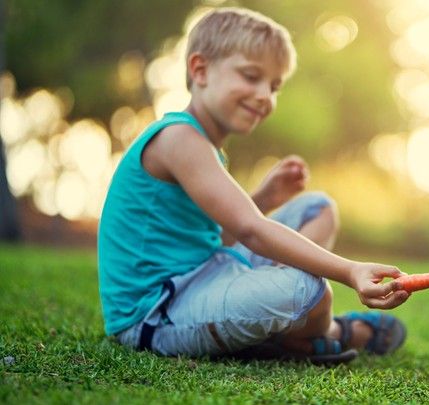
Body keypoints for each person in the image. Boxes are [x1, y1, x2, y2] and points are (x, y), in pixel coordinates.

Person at [97, 7, 410, 364]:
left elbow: (212, 236)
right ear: (200, 70)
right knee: (309, 288)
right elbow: (249, 229)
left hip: (204, 274)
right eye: (251, 76)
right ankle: (333, 332)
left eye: (274, 86)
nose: (264, 95)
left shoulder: (205, 146)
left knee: (318, 208)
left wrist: (264, 198)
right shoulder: (179, 139)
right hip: (155, 314)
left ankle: (284, 330)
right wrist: (350, 270)